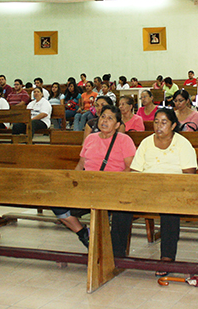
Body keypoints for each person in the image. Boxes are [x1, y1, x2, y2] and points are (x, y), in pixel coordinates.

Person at [110, 108, 198, 276]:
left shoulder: (182, 144)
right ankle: (117, 256)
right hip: (146, 190)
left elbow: (189, 175)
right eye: (156, 121)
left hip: (173, 191)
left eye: (164, 122)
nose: (159, 126)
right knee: (121, 208)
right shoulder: (146, 142)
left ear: (173, 125)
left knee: (170, 212)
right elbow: (135, 171)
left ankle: (167, 258)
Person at [53, 105, 137, 249]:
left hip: (113, 188)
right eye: (103, 116)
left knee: (122, 211)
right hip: (89, 187)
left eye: (110, 118)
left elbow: (131, 168)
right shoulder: (90, 138)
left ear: (117, 125)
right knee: (56, 202)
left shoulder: (124, 140)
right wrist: (71, 184)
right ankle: (84, 234)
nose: (104, 120)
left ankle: (114, 253)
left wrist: (111, 183)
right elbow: (80, 166)